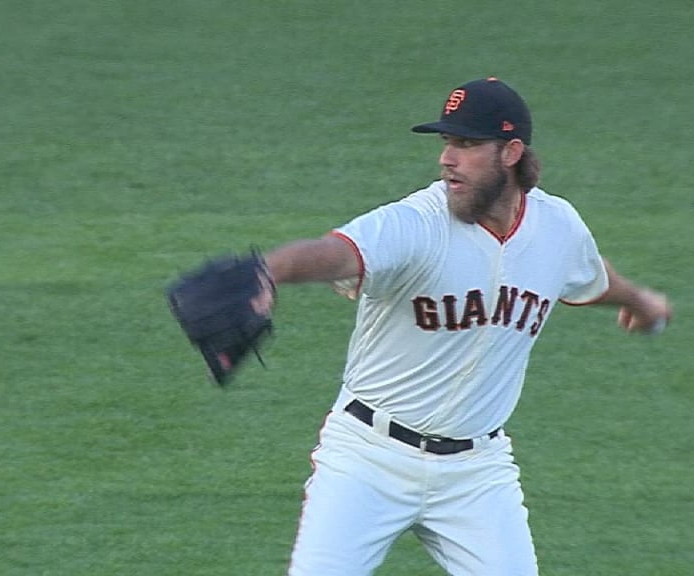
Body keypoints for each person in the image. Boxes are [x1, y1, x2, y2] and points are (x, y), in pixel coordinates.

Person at [262, 77, 672, 576]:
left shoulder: (557, 226)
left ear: (511, 152)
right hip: (368, 458)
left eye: (468, 144)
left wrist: (640, 301)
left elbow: (588, 275)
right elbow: (337, 253)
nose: (447, 158)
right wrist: (270, 271)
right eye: (447, 143)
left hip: (476, 471)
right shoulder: (415, 223)